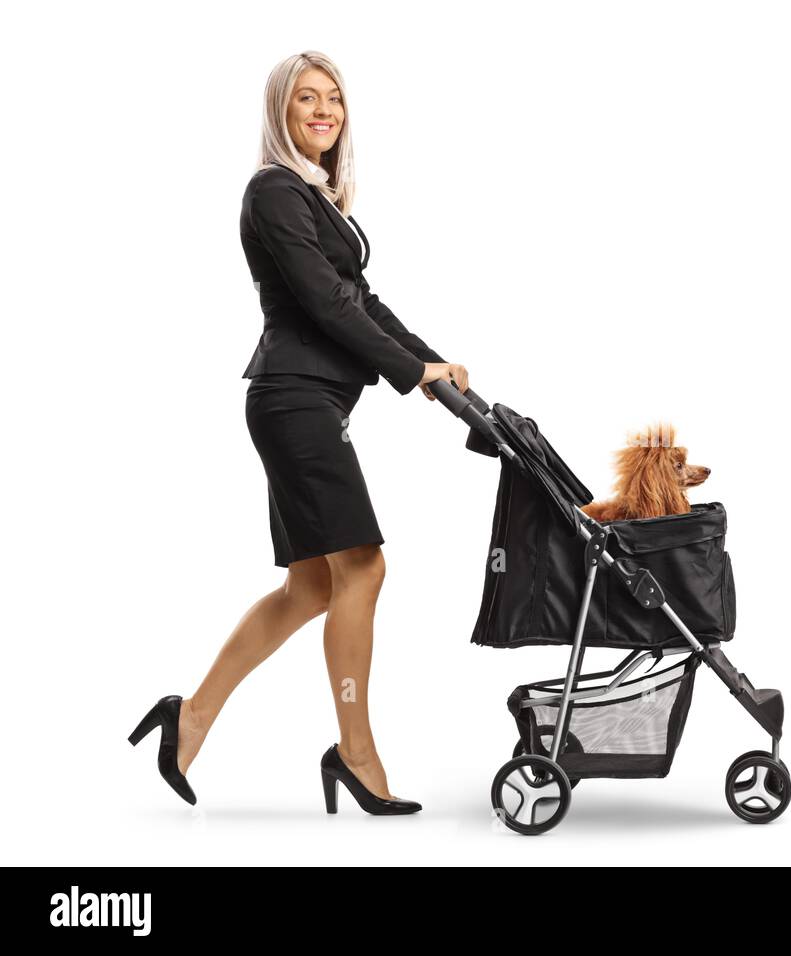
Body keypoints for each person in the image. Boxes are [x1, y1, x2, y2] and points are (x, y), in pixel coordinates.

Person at [127, 51, 468, 815]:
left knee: (313, 584)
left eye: (334, 99)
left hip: (311, 402)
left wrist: (429, 362)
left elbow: (363, 300)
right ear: (280, 113)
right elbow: (325, 306)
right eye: (306, 99)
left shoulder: (317, 199)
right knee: (364, 569)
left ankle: (190, 717)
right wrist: (412, 376)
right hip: (295, 399)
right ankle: (356, 753)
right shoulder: (273, 191)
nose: (323, 111)